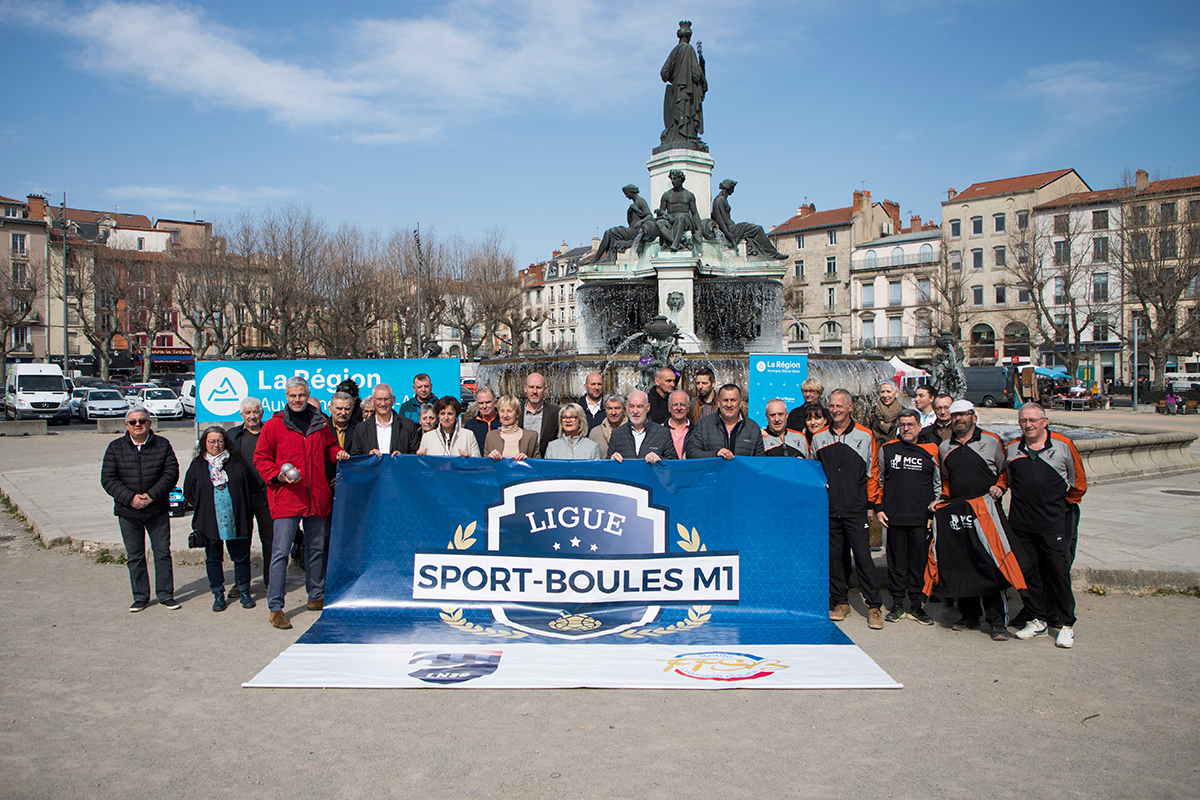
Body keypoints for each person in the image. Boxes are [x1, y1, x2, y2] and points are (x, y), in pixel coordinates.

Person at [254, 376, 349, 630]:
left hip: (316, 496)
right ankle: (276, 606)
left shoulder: (320, 421)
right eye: (292, 396)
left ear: (308, 395)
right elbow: (261, 458)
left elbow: (329, 447)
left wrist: (336, 453)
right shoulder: (274, 426)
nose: (297, 400)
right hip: (287, 497)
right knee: (280, 553)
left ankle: (315, 595)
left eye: (301, 395)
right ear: (286, 397)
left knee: (316, 548)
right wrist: (277, 475)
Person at [934, 399, 1021, 641]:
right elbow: (946, 479)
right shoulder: (945, 447)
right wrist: (943, 499)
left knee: (991, 564)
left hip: (987, 513)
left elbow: (1004, 471)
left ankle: (997, 621)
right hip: (960, 513)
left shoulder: (991, 441)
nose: (959, 419)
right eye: (955, 416)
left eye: (964, 415)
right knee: (964, 563)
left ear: (974, 416)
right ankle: (969, 615)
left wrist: (1000, 486)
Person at [1007, 403, 1087, 649]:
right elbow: (1005, 477)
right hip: (1022, 523)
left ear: (1045, 421)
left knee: (1058, 571)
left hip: (1052, 522)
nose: (1028, 425)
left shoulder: (1062, 445)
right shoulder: (1012, 449)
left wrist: (1066, 503)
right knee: (1030, 571)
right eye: (1023, 421)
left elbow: (1079, 481)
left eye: (1033, 420)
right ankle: (1036, 617)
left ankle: (1065, 623)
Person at [811, 389, 884, 630]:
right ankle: (841, 602)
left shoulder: (865, 435)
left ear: (850, 407)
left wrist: (871, 504)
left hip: (855, 507)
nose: (835, 410)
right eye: (831, 406)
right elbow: (813, 471)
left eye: (839, 406)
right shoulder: (819, 437)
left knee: (863, 558)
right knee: (834, 558)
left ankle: (874, 606)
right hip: (830, 508)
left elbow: (872, 472)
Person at [101, 408, 181, 612]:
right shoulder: (115, 447)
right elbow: (108, 479)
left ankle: (165, 595)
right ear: (127, 426)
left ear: (150, 423)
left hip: (157, 510)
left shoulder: (162, 445)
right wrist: (130, 498)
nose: (138, 425)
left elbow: (171, 473)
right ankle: (140, 596)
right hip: (128, 512)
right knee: (135, 555)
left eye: (142, 421)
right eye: (133, 422)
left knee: (162, 553)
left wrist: (152, 495)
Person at [877, 408, 941, 625]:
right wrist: (878, 508)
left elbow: (938, 484)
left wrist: (936, 510)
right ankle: (896, 603)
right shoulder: (887, 449)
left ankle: (916, 605)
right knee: (896, 563)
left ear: (919, 427)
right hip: (894, 516)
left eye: (910, 424)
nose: (906, 428)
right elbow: (879, 481)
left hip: (921, 517)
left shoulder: (931, 450)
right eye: (902, 425)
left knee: (918, 563)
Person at [184, 427, 256, 612]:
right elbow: (189, 492)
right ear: (204, 444)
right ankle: (218, 593)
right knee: (213, 558)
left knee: (241, 557)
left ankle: (244, 591)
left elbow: (248, 486)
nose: (216, 445)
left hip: (236, 518)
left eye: (220, 441)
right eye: (212, 442)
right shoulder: (198, 465)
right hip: (210, 520)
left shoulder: (236, 462)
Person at [227, 398, 273, 593]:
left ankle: (272, 582)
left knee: (270, 541)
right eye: (248, 413)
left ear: (262, 413)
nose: (252, 416)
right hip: (241, 498)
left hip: (266, 496)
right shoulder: (232, 436)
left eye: (255, 412)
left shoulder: (271, 433)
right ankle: (241, 582)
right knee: (241, 541)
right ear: (242, 415)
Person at [710, 179, 788, 259]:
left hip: (732, 227)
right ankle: (773, 254)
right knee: (758, 229)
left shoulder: (723, 200)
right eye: (733, 188)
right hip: (731, 229)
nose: (733, 191)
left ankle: (766, 253)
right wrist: (729, 236)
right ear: (728, 187)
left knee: (755, 232)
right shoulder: (719, 200)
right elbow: (720, 220)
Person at [658, 20, 706, 150]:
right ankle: (687, 135)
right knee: (687, 116)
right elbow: (696, 74)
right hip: (688, 94)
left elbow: (664, 73)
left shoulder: (675, 51)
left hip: (675, 95)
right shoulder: (689, 50)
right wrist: (702, 66)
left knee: (677, 117)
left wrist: (675, 78)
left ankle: (680, 135)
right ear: (689, 36)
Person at [686, 384, 765, 459]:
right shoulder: (703, 425)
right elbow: (691, 453)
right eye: (725, 400)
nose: (729, 404)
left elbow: (760, 462)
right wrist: (715, 454)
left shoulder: (753, 428)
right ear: (719, 403)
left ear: (740, 402)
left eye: (733, 400)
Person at [587, 185, 660, 263]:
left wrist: (640, 222)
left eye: (627, 193)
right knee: (609, 232)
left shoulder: (641, 201)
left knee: (610, 232)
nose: (626, 196)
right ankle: (603, 258)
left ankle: (596, 258)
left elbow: (649, 216)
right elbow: (630, 221)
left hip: (635, 231)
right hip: (632, 229)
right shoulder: (634, 203)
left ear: (632, 191)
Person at [350, 383, 421, 457]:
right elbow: (355, 458)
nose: (383, 403)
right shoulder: (361, 428)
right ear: (372, 401)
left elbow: (415, 456)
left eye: (386, 399)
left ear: (393, 400)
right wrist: (368, 457)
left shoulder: (408, 425)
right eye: (379, 399)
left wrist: (402, 458)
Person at [609, 390, 677, 463]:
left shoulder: (663, 433)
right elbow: (606, 466)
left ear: (647, 407)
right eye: (632, 406)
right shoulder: (617, 434)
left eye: (639, 406)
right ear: (626, 407)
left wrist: (660, 460)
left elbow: (674, 464)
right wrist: (611, 460)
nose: (635, 411)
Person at [656, 169, 702, 252]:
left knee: (680, 217)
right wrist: (660, 213)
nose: (673, 181)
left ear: (681, 179)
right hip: (671, 221)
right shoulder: (666, 195)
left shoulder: (689, 195)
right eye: (672, 179)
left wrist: (699, 230)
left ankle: (675, 244)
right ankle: (680, 243)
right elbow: (661, 213)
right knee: (659, 223)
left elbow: (695, 213)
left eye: (675, 179)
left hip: (685, 220)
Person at [518, 372, 560, 458]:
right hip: (519, 463)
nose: (534, 391)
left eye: (538, 387)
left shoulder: (555, 412)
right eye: (531, 387)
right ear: (525, 388)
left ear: (545, 389)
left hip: (546, 463)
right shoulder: (516, 412)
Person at [485, 395, 539, 461]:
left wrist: (527, 460)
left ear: (518, 414)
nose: (505, 415)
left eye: (509, 411)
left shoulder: (531, 436)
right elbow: (484, 466)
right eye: (502, 411)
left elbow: (539, 464)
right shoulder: (491, 436)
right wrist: (489, 458)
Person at [464, 387, 501, 453]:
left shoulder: (503, 421)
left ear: (495, 403)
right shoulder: (470, 425)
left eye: (487, 402)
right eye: (481, 403)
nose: (484, 406)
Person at [588, 394, 626, 459]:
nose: (613, 412)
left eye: (617, 408)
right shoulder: (595, 433)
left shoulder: (632, 430)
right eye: (610, 408)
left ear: (624, 410)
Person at [871, 380, 903, 446]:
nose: (885, 395)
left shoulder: (903, 412)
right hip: (877, 450)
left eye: (888, 391)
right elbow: (866, 433)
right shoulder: (872, 412)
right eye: (882, 392)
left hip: (896, 450)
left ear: (896, 393)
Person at [665, 389, 694, 459]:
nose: (679, 408)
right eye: (675, 404)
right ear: (669, 408)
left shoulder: (696, 431)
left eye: (683, 404)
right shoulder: (659, 431)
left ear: (688, 407)